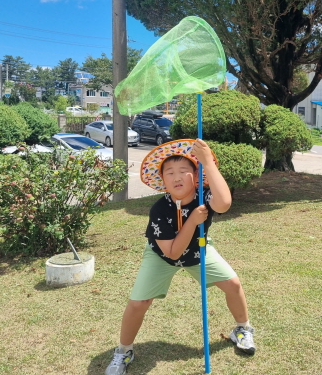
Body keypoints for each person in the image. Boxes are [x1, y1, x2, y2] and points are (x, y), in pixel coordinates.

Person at [105, 138, 255, 375]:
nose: (177, 177)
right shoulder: (159, 209)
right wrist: (193, 220)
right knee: (138, 303)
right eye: (170, 172)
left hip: (198, 251)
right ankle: (124, 351)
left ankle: (242, 328)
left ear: (196, 176)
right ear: (162, 180)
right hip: (161, 257)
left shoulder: (204, 196)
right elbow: (173, 252)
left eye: (184, 171)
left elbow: (224, 203)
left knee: (233, 284)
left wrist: (208, 161)